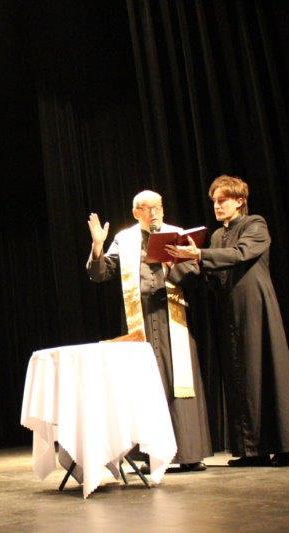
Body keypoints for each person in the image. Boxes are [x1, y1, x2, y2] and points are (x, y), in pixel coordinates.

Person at [166, 175, 289, 466]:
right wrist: (176, 266)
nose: (217, 206)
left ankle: (280, 446)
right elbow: (210, 272)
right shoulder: (218, 235)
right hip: (229, 310)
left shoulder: (255, 224)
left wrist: (200, 254)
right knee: (238, 375)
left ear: (240, 201)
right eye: (214, 201)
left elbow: (241, 253)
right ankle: (250, 450)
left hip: (255, 306)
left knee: (263, 369)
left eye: (223, 200)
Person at [86, 190, 212, 472]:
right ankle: (151, 456)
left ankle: (189, 453)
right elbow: (101, 273)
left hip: (171, 316)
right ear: (136, 213)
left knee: (179, 381)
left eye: (158, 207)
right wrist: (97, 246)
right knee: (143, 386)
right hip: (138, 317)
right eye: (146, 208)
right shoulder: (125, 238)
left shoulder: (176, 234)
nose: (154, 213)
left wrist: (171, 263)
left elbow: (194, 273)